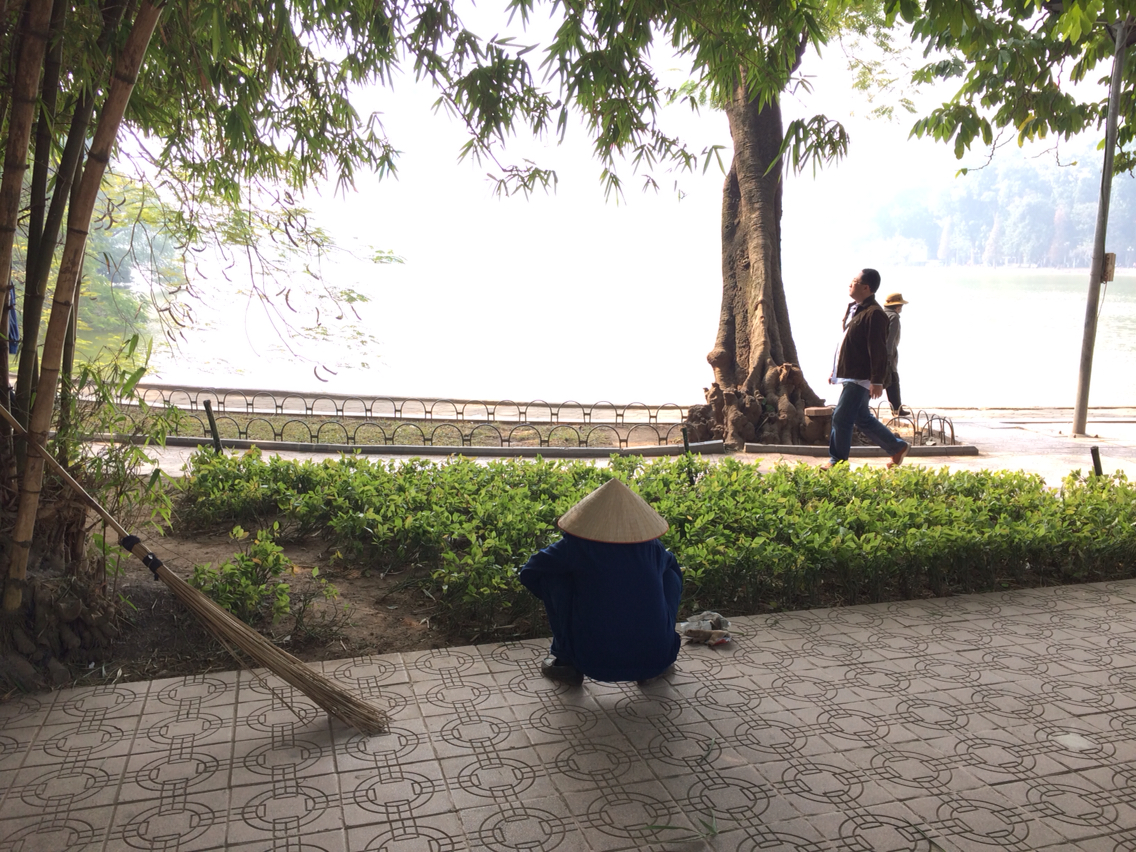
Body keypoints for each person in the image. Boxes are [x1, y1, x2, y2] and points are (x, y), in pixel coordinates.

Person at [518, 478, 682, 685]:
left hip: (591, 660)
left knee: (552, 576)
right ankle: (654, 656)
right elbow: (672, 573)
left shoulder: (577, 546)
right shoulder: (653, 548)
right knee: (670, 575)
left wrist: (568, 598)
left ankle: (565, 660)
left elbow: (530, 571)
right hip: (657, 660)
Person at [824, 268, 910, 470]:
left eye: (854, 281)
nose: (850, 284)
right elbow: (846, 342)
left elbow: (878, 349)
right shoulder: (856, 309)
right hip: (851, 373)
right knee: (861, 418)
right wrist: (836, 370)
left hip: (861, 377)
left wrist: (877, 380)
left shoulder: (875, 314)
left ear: (866, 288)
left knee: (841, 417)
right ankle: (897, 447)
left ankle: (837, 462)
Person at [882, 292, 910, 416]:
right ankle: (897, 409)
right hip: (888, 353)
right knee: (893, 380)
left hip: (879, 353)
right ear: (897, 306)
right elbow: (890, 339)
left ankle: (896, 408)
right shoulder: (894, 317)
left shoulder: (881, 314)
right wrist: (888, 357)